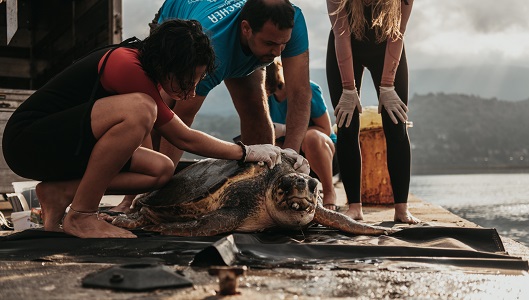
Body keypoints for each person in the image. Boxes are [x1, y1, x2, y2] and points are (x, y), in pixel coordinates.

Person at [2, 20, 293, 239]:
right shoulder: (126, 64)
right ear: (169, 65)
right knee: (141, 109)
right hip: (28, 141)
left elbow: (142, 149)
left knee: (160, 169)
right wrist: (247, 151)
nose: (191, 93)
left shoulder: (145, 74)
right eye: (188, 81)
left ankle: (58, 192)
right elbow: (182, 136)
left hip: (65, 143)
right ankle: (82, 214)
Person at [150, 0, 312, 171]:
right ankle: (142, 192)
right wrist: (162, 181)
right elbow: (180, 121)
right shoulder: (211, 45)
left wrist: (291, 154)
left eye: (283, 43)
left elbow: (300, 93)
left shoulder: (293, 20)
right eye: (270, 43)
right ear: (246, 29)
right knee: (160, 110)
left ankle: (260, 183)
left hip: (231, 39)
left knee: (255, 106)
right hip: (178, 28)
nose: (278, 53)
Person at [325, 0, 420, 223]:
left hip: (386, 46)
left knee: (396, 125)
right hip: (345, 47)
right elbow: (341, 35)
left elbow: (398, 33)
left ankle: (401, 209)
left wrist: (387, 85)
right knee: (347, 124)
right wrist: (349, 88)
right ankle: (355, 207)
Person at [266, 58, 338, 210]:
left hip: (322, 155)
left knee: (310, 137)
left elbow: (325, 130)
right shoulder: (266, 98)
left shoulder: (309, 89)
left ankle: (330, 191)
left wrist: (286, 129)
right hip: (291, 156)